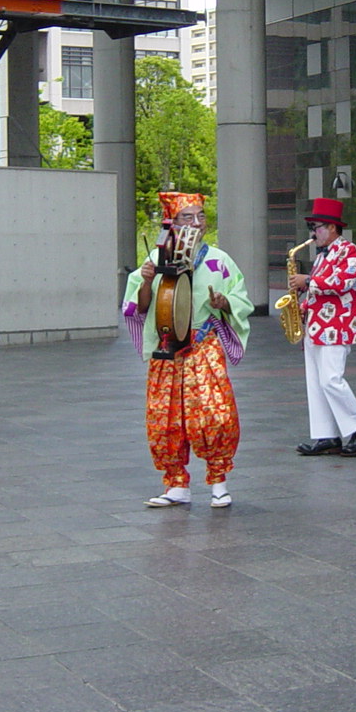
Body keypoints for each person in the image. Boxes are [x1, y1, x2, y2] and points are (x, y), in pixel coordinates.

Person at [123, 192, 253, 508]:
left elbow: (241, 298)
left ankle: (219, 482)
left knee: (215, 414)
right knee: (165, 418)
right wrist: (146, 282)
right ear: (172, 223)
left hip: (204, 345)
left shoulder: (219, 260)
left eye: (201, 216)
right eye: (187, 217)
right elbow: (139, 307)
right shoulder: (155, 260)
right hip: (168, 348)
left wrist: (225, 303)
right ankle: (175, 484)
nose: (196, 223)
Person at [289, 197, 356, 457]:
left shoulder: (350, 251)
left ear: (332, 227)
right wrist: (301, 307)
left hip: (338, 325)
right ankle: (326, 435)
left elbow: (344, 282)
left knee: (331, 380)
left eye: (316, 227)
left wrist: (308, 281)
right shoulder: (322, 256)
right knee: (315, 382)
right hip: (316, 326)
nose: (312, 234)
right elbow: (320, 292)